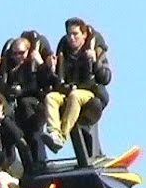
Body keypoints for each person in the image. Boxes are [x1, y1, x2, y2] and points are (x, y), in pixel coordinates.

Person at [41, 18, 112, 157]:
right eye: (69, 35)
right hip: (68, 90)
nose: (72, 38)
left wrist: (96, 62)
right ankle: (54, 133)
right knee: (51, 98)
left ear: (84, 35)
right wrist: (51, 69)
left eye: (75, 34)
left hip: (90, 93)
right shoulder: (64, 53)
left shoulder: (94, 50)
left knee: (75, 96)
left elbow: (106, 78)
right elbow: (55, 82)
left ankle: (61, 137)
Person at [0, 36, 56, 171]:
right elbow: (3, 88)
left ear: (29, 51)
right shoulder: (11, 70)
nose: (18, 57)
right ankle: (22, 163)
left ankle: (39, 161)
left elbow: (50, 82)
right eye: (15, 54)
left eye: (21, 53)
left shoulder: (35, 65)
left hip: (37, 105)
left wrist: (43, 65)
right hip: (19, 108)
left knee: (32, 128)